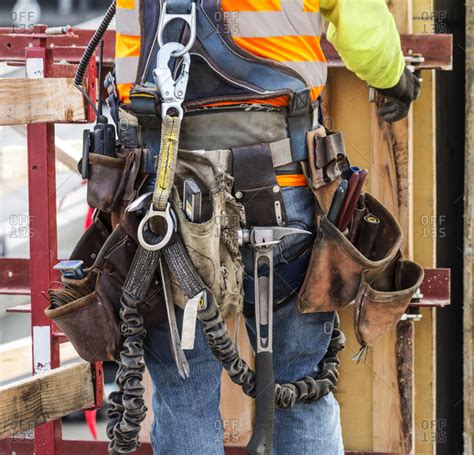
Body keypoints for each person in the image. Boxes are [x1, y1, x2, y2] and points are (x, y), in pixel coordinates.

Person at [112, 0, 420, 453]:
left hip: (168, 195)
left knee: (185, 397)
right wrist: (394, 78)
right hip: (285, 183)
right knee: (303, 387)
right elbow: (364, 29)